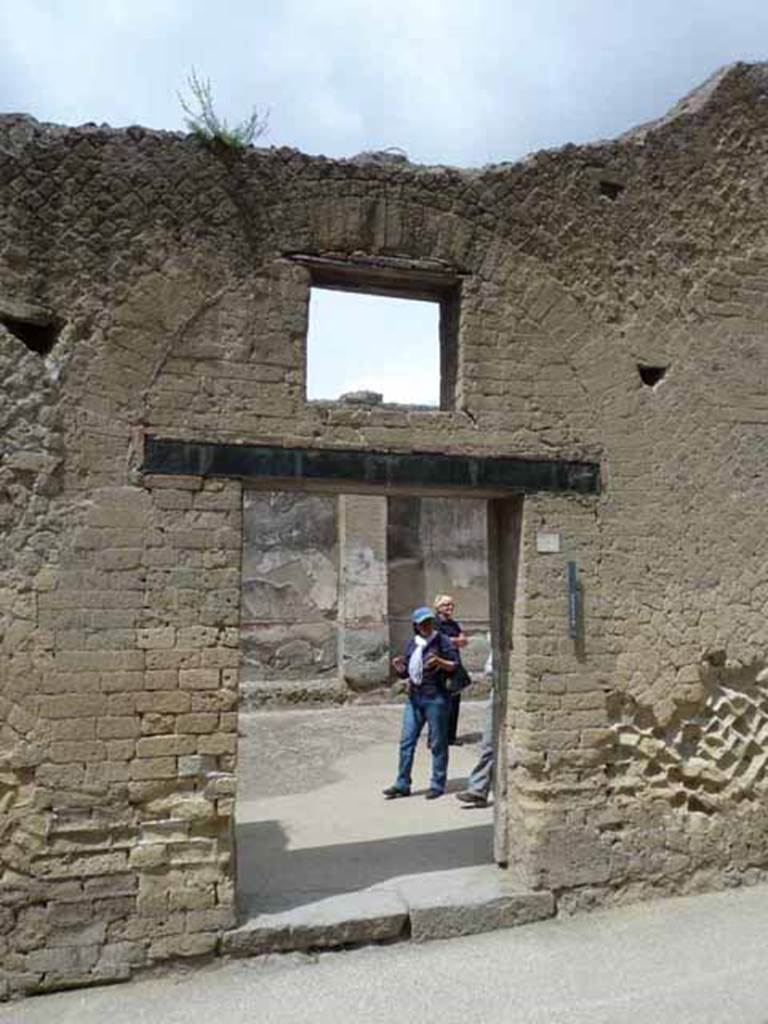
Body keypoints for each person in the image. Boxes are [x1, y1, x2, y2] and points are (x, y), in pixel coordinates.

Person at [383, 606, 458, 801]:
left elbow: (454, 664)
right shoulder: (413, 644)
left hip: (436, 699)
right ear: (415, 625)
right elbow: (408, 671)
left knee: (438, 743)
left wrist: (439, 662)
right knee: (406, 742)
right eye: (422, 623)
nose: (426, 626)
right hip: (415, 698)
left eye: (429, 622)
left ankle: (437, 784)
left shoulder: (442, 640)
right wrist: (400, 668)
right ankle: (402, 783)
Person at [456, 642, 494, 806]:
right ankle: (479, 789)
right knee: (489, 743)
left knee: (492, 744)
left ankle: (480, 788)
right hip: (497, 689)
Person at [434, 594, 468, 746]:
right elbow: (439, 639)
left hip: (455, 665)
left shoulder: (454, 624)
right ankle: (437, 737)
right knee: (440, 704)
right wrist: (454, 640)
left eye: (451, 605)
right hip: (440, 667)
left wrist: (453, 640)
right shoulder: (435, 623)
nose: (450, 607)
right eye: (446, 605)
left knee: (454, 702)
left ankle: (450, 737)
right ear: (438, 607)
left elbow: (463, 640)